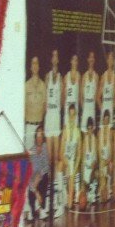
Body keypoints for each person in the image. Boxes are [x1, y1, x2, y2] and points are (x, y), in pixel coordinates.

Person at [58, 102, 82, 214]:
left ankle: (69, 203)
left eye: (73, 115)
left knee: (71, 177)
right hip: (65, 159)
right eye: (70, 115)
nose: (72, 118)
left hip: (72, 161)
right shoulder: (65, 130)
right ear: (68, 116)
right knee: (59, 166)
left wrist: (74, 168)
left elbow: (79, 153)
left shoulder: (78, 131)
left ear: (75, 115)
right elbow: (61, 152)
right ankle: (60, 197)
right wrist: (66, 164)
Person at [44, 50, 63, 188]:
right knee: (49, 157)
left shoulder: (61, 78)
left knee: (56, 157)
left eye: (57, 56)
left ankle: (55, 185)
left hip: (56, 116)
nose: (55, 58)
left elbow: (62, 99)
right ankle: (49, 185)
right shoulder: (47, 76)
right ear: (51, 60)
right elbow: (45, 98)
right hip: (49, 117)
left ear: (58, 60)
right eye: (53, 56)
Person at [25, 127, 50, 221]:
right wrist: (36, 191)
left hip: (40, 176)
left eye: (41, 136)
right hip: (32, 178)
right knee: (32, 182)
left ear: (43, 137)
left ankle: (41, 209)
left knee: (45, 177)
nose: (39, 138)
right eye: (38, 136)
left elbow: (46, 166)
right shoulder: (31, 150)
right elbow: (29, 171)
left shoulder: (45, 147)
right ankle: (33, 210)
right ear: (35, 137)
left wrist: (39, 175)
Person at [24, 56, 46, 147]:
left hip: (39, 127)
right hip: (29, 126)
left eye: (36, 63)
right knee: (29, 153)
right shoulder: (26, 85)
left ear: (39, 66)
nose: (35, 65)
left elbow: (45, 106)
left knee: (38, 154)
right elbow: (23, 107)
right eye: (33, 63)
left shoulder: (43, 85)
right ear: (30, 67)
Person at [81, 116, 98, 210]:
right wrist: (83, 174)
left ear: (93, 128)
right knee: (84, 188)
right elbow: (83, 159)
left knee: (95, 173)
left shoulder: (95, 139)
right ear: (87, 129)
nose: (90, 130)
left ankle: (92, 192)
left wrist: (94, 164)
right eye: (88, 128)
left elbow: (96, 158)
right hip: (86, 167)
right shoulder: (85, 139)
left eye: (91, 128)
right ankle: (88, 192)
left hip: (92, 167)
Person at [99, 49, 115, 130]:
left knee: (110, 131)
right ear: (107, 61)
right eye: (109, 59)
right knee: (102, 130)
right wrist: (102, 108)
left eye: (112, 59)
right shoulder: (103, 76)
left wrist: (112, 107)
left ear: (113, 61)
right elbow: (98, 97)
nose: (110, 61)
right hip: (104, 104)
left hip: (110, 105)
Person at [81, 51, 99, 134]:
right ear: (88, 59)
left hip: (92, 106)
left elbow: (96, 95)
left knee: (91, 132)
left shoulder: (96, 76)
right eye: (90, 57)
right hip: (85, 106)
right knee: (85, 131)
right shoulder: (84, 76)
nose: (91, 59)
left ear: (94, 60)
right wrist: (83, 108)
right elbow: (81, 95)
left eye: (93, 57)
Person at [98, 109, 113, 203]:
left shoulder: (110, 132)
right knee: (102, 168)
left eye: (108, 120)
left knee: (110, 166)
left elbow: (111, 147)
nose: (106, 121)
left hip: (108, 157)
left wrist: (109, 158)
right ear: (103, 120)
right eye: (105, 119)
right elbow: (99, 149)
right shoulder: (100, 131)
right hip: (101, 158)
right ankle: (102, 190)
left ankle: (108, 188)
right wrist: (103, 159)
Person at [64, 53, 81, 130]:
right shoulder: (66, 76)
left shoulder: (79, 76)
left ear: (77, 62)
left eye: (76, 60)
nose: (75, 62)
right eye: (73, 60)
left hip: (75, 108)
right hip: (67, 108)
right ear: (71, 61)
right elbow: (63, 96)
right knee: (66, 131)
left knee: (75, 131)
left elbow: (79, 95)